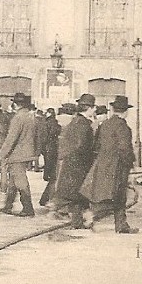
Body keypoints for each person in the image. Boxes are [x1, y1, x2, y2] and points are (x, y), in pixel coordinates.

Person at [81, 96, 139, 233]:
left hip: (102, 164)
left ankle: (121, 225)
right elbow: (125, 149)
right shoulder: (123, 127)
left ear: (113, 110)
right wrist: (130, 164)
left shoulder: (105, 124)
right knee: (118, 195)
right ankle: (93, 214)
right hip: (118, 166)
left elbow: (96, 145)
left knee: (110, 194)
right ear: (125, 112)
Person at [53, 93, 96, 228]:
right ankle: (79, 221)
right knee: (79, 192)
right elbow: (81, 146)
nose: (95, 110)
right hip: (79, 164)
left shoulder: (76, 121)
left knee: (76, 194)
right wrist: (91, 157)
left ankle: (78, 221)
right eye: (93, 107)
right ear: (88, 108)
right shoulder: (83, 124)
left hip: (72, 163)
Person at [0, 94, 42, 217]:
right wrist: (36, 152)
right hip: (28, 153)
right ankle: (8, 205)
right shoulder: (33, 117)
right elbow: (39, 137)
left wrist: (2, 154)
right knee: (13, 180)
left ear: (15, 104)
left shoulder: (18, 118)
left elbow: (11, 138)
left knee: (20, 181)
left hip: (17, 154)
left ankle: (28, 208)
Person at [38, 107, 60, 207]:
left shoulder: (46, 123)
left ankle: (46, 199)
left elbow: (44, 137)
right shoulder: (55, 123)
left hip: (48, 149)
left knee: (52, 176)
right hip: (53, 149)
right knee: (54, 176)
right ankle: (47, 199)